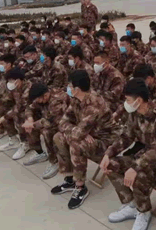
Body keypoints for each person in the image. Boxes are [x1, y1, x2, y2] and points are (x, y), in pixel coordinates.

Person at [100, 79, 156, 230]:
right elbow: (126, 137)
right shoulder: (134, 113)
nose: (125, 103)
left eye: (128, 99)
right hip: (144, 155)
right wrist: (108, 154)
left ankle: (144, 211)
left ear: (139, 100)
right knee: (111, 165)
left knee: (138, 175)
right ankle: (132, 204)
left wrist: (135, 167)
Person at [51, 70, 119, 210]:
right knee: (58, 137)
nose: (67, 89)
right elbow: (63, 122)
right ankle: (70, 179)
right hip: (89, 135)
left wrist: (78, 132)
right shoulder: (77, 99)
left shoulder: (94, 104)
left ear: (76, 89)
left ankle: (80, 187)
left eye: (69, 86)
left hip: (105, 141)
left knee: (77, 144)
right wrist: (78, 131)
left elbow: (76, 135)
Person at [23, 82, 70, 180]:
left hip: (68, 124)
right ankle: (40, 153)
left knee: (46, 131)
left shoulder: (56, 100)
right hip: (54, 122)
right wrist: (30, 119)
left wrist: (32, 125)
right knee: (28, 122)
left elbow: (51, 122)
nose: (37, 101)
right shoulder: (42, 97)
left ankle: (55, 161)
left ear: (45, 95)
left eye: (38, 99)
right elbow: (29, 107)